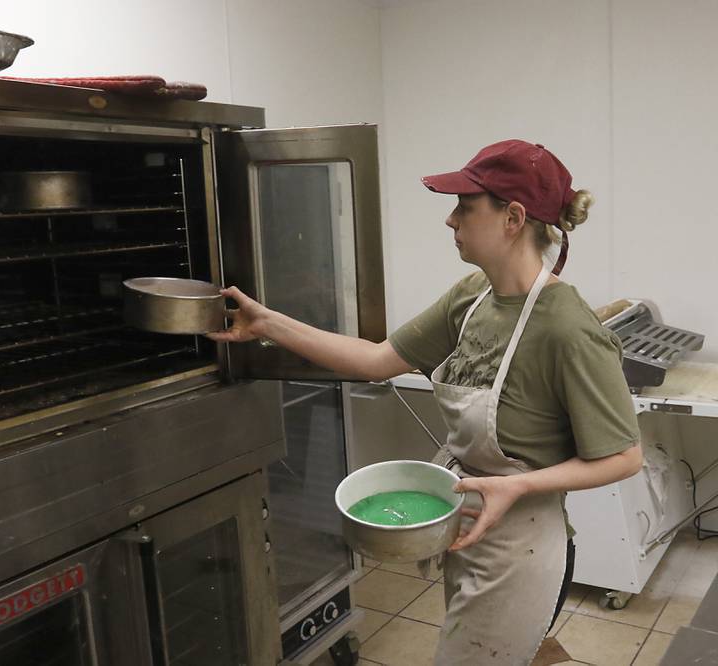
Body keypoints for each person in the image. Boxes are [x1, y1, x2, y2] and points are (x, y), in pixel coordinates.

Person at [207, 139, 642, 665]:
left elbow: (624, 456)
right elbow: (374, 359)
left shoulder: (568, 328)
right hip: (464, 521)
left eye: (464, 206)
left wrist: (519, 484)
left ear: (513, 217)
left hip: (520, 545)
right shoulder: (472, 295)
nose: (450, 220)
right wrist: (267, 324)